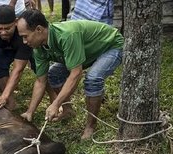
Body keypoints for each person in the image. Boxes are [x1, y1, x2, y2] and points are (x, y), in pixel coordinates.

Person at [17, 9, 123, 139]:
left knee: (92, 79)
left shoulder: (67, 35)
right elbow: (41, 81)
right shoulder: (38, 48)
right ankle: (68, 111)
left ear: (39, 29)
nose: (24, 41)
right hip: (86, 54)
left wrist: (56, 104)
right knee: (53, 74)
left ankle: (90, 126)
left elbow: (76, 73)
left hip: (110, 46)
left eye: (25, 36)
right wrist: (29, 112)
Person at [0, 5, 35, 111]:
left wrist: (3, 96)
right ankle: (10, 102)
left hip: (28, 46)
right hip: (6, 49)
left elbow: (18, 70)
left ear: (15, 22)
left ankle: (54, 98)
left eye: (7, 28)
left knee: (40, 69)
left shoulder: (22, 35)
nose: (3, 32)